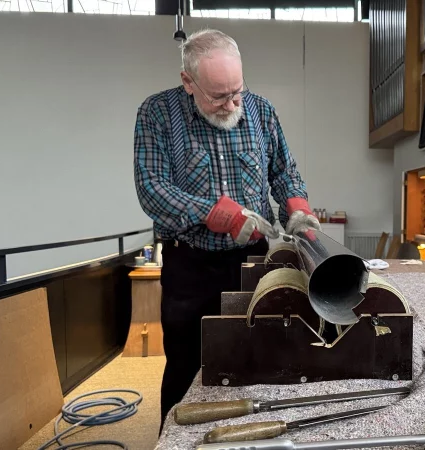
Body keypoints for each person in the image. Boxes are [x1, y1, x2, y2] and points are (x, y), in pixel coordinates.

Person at [132, 28, 321, 427]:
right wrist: (221, 216)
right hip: (190, 267)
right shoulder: (157, 113)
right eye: (219, 96)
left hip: (252, 262)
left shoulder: (261, 110)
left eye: (237, 91)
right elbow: (152, 189)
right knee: (186, 365)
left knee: (255, 358)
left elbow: (284, 172)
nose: (232, 104)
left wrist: (298, 208)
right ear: (188, 81)